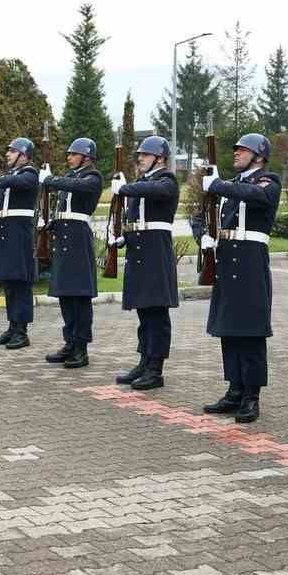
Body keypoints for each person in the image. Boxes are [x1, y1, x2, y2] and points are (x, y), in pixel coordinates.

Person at [197, 133, 282, 423]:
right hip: (226, 259)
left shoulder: (268, 181)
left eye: (242, 150)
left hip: (250, 262)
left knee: (251, 332)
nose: (235, 154)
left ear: (259, 156)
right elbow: (201, 216)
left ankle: (251, 396)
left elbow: (258, 196)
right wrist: (205, 237)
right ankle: (234, 389)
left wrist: (218, 185)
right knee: (229, 329)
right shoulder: (233, 186)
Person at [111, 136, 180, 390]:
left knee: (157, 313)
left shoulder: (167, 180)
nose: (139, 158)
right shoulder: (142, 182)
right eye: (139, 154)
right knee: (144, 313)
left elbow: (158, 191)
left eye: (145, 155)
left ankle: (156, 369)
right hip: (140, 251)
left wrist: (125, 188)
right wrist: (121, 237)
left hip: (155, 253)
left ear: (160, 159)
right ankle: (144, 360)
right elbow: (134, 217)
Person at [38, 137, 103, 368]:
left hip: (77, 238)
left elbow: (78, 188)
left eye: (73, 154)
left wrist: (50, 179)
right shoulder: (70, 177)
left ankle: (81, 347)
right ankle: (70, 342)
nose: (68, 157)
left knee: (79, 296)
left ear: (86, 157)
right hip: (65, 236)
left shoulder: (92, 177)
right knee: (66, 295)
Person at [0, 137, 40, 350]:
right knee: (9, 283)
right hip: (6, 232)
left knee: (20, 283)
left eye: (12, 151)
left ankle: (22, 331)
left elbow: (17, 183)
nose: (8, 154)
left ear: (24, 155)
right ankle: (12, 326)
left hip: (18, 234)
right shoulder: (12, 175)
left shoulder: (30, 174)